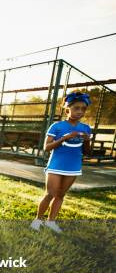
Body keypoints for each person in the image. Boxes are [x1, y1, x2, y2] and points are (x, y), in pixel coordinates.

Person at [30, 90, 92, 233]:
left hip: (74, 166)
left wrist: (87, 141)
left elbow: (87, 152)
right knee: (50, 194)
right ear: (67, 109)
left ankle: (51, 222)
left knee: (60, 195)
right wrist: (66, 137)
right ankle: (38, 219)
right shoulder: (56, 126)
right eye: (76, 108)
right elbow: (47, 148)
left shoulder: (86, 128)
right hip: (56, 166)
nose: (80, 112)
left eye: (83, 109)